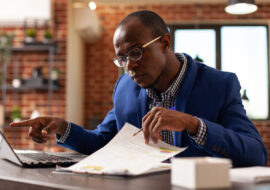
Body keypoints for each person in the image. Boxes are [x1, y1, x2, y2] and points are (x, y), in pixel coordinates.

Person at [10, 10, 267, 167]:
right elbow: (103, 141)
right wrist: (62, 128)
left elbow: (257, 154)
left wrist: (193, 124)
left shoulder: (219, 85)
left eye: (135, 52)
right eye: (121, 59)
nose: (129, 67)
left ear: (165, 42)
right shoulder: (125, 89)